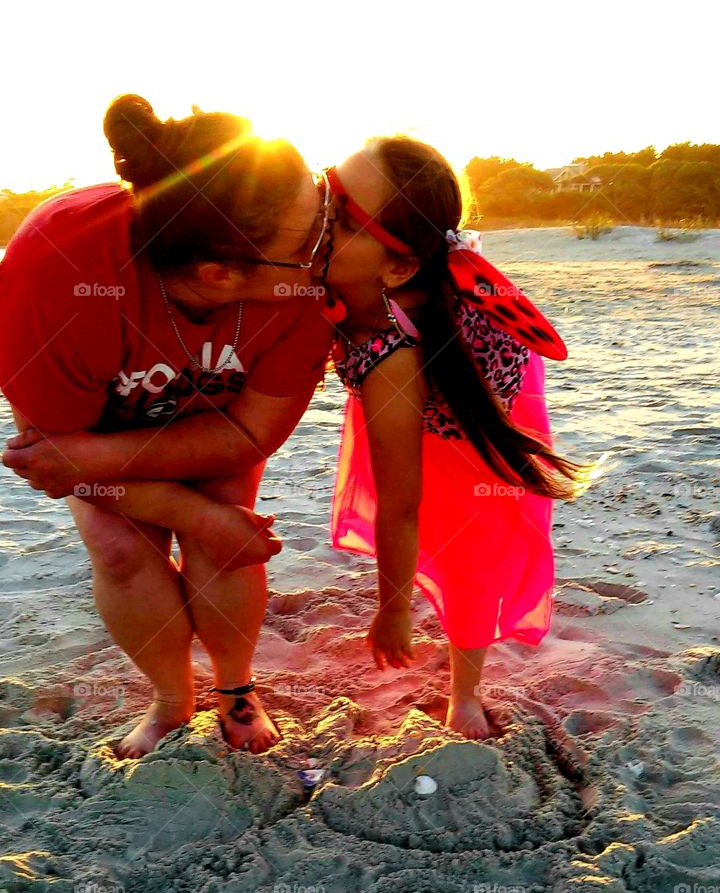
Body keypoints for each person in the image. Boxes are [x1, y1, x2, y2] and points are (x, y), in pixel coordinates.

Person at [0, 94, 333, 757]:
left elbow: (249, 435)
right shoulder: (55, 273)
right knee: (124, 551)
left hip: (214, 423)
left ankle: (236, 689)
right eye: (309, 239)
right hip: (97, 429)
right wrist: (190, 513)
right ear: (220, 273)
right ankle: (172, 699)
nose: (329, 241)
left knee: (229, 537)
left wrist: (209, 519)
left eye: (323, 205)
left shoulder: (303, 290)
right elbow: (54, 459)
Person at [318, 137, 589, 739]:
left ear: (398, 264)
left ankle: (464, 692)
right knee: (416, 506)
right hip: (413, 382)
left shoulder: (394, 353)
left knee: (472, 550)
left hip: (480, 422)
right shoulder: (346, 271)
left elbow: (399, 504)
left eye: (339, 211)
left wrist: (392, 613)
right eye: (324, 185)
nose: (320, 209)